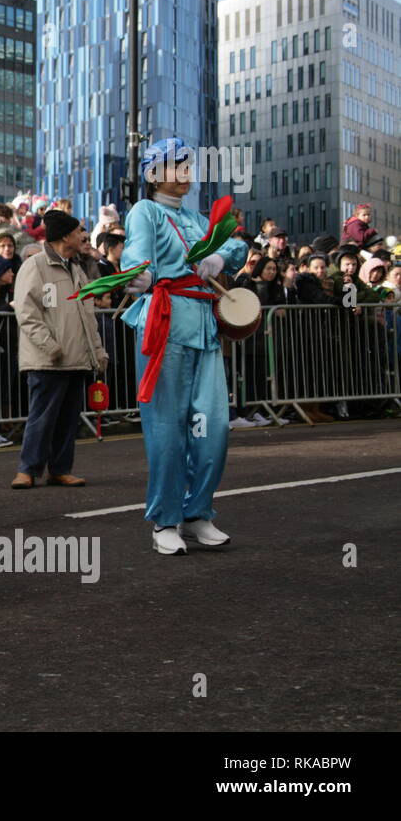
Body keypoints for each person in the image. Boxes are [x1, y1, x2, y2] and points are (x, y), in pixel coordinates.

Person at [120, 138, 248, 555]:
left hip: (205, 325)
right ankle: (166, 519)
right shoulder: (145, 210)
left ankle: (197, 513)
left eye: (188, 165)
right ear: (153, 174)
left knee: (213, 427)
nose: (187, 172)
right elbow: (136, 257)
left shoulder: (195, 216)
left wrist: (222, 258)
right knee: (167, 428)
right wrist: (137, 275)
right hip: (165, 322)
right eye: (177, 165)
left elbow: (235, 243)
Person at [11, 211, 108, 489]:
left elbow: (87, 317)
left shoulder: (76, 268)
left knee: (67, 420)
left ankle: (60, 469)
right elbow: (27, 312)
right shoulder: (36, 265)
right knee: (42, 418)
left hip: (76, 359)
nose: (83, 236)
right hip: (47, 360)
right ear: (65, 235)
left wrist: (97, 353)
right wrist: (50, 346)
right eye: (79, 231)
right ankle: (27, 469)